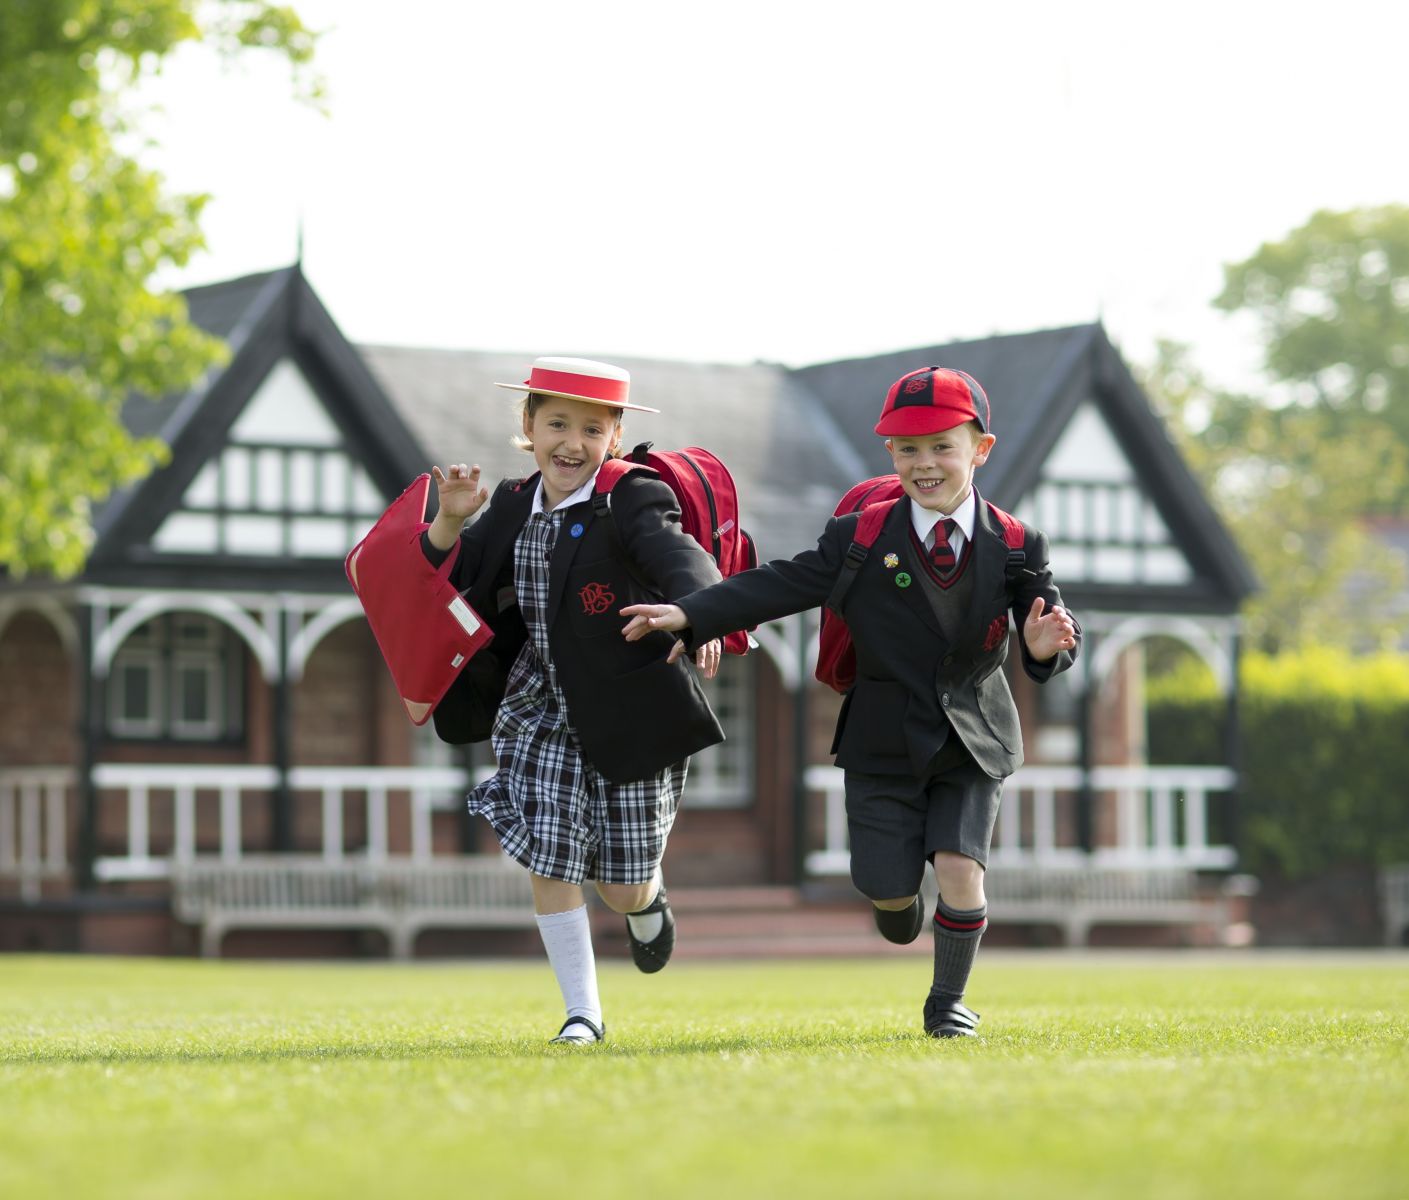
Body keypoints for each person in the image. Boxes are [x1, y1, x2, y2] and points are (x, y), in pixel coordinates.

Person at [622, 366, 1080, 1038]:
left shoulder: (1015, 544)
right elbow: (778, 584)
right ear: (888, 454)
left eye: (940, 446)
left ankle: (947, 1003)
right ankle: (898, 905)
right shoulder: (859, 536)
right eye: (906, 448)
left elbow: (1052, 634)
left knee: (959, 869)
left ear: (979, 448)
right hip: (880, 736)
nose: (923, 464)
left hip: (972, 739)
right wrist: (690, 615)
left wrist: (1041, 649)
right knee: (887, 891)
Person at [424, 356, 725, 1045]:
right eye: (556, 422)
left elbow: (676, 554)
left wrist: (705, 611)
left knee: (619, 885)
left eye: (591, 428)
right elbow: (448, 579)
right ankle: (581, 1014)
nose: (572, 441)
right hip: (539, 703)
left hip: (631, 703)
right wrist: (447, 522)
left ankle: (646, 903)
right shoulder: (508, 501)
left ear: (613, 439)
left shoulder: (632, 497)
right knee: (550, 854)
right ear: (528, 427)